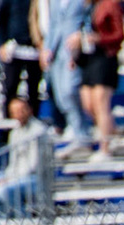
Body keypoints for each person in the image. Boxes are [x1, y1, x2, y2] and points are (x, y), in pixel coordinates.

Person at [0, 95, 49, 216]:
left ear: (29, 110)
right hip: (17, 175)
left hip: (35, 177)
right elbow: (13, 162)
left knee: (4, 190)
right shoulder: (14, 133)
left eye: (21, 110)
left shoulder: (39, 131)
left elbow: (33, 165)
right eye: (14, 112)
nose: (18, 115)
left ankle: (20, 221)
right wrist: (7, 176)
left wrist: (10, 179)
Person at [76, 0, 123, 155]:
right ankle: (113, 133)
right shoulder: (87, 8)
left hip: (105, 56)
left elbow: (119, 34)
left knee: (100, 103)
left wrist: (99, 38)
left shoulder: (110, 4)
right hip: (88, 58)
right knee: (88, 104)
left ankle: (105, 148)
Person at [41, 0, 88, 152]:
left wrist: (82, 36)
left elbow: (88, 17)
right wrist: (47, 48)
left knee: (70, 91)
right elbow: (53, 24)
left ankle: (82, 133)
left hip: (73, 49)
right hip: (56, 50)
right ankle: (73, 127)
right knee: (60, 95)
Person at [0, 0, 44, 121]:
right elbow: (0, 20)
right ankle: (8, 122)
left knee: (34, 88)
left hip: (35, 48)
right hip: (14, 48)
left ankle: (33, 120)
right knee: (10, 87)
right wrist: (2, 43)